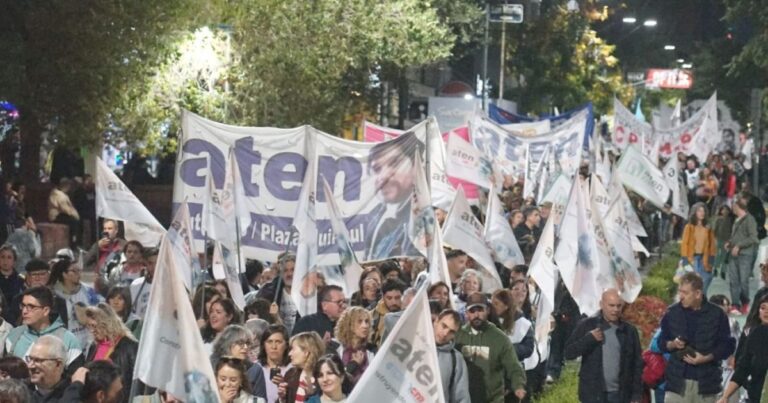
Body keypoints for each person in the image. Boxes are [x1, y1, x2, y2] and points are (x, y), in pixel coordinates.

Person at [659, 272, 736, 403]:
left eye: (685, 293)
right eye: (680, 292)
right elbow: (661, 343)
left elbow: (727, 345)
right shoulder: (672, 313)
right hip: (677, 385)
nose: (681, 297)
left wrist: (706, 358)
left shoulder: (717, 315)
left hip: (707, 386)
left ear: (698, 294)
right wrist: (673, 344)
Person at [564, 289, 643, 403]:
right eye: (611, 305)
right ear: (601, 304)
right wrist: (589, 339)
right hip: (593, 394)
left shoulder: (629, 331)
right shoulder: (587, 325)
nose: (615, 310)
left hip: (620, 394)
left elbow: (637, 364)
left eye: (618, 306)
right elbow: (569, 353)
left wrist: (636, 395)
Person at [454, 292, 526, 403]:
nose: (476, 314)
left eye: (480, 310)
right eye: (472, 311)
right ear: (467, 313)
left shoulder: (499, 338)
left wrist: (518, 385)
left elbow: (513, 366)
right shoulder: (458, 336)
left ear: (487, 310)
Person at [364, 133, 422, 260]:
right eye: (377, 168)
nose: (384, 176)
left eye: (395, 163)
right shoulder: (373, 218)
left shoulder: (424, 216)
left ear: (416, 167)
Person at [6, 286, 83, 368]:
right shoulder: (14, 335)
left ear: (46, 311)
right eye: (23, 305)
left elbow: (76, 375)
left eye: (31, 307)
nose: (24, 311)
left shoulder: (67, 339)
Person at [718, 295, 768, 403]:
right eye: (763, 308)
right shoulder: (756, 333)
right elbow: (743, 366)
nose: (766, 312)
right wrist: (725, 396)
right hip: (756, 397)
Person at [82, 303, 138, 399]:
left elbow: (137, 383)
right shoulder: (93, 346)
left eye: (94, 326)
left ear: (107, 322)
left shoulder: (129, 346)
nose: (92, 331)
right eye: (89, 326)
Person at [49, 258, 103, 347]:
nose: (79, 274)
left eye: (79, 270)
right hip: (64, 345)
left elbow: (101, 310)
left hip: (88, 343)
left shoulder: (88, 291)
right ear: (64, 274)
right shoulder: (53, 295)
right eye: (75, 271)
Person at [211, 325, 267, 400]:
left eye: (247, 343)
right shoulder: (213, 366)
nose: (245, 347)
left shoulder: (255, 370)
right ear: (228, 344)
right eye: (240, 343)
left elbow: (261, 398)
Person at [6, 258, 69, 327]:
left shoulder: (58, 300)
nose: (38, 278)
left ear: (48, 276)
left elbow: (63, 326)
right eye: (34, 274)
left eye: (42, 274)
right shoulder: (18, 300)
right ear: (28, 277)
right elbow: (13, 326)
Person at [725, 195, 758, 314]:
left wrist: (739, 246)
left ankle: (745, 302)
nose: (732, 209)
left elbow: (753, 238)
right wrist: (729, 242)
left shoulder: (750, 220)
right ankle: (735, 304)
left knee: (743, 280)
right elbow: (736, 236)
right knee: (734, 280)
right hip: (733, 255)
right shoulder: (736, 220)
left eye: (734, 206)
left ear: (738, 206)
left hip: (745, 255)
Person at [433, 309, 471, 403]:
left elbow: (461, 397)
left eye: (451, 331)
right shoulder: (415, 342)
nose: (445, 333)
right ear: (436, 321)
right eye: (444, 326)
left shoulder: (456, 359)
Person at [256, 253, 299, 335]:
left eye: (292, 270)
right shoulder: (269, 294)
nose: (289, 274)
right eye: (285, 270)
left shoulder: (307, 295)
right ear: (280, 273)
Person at [333, 307, 374, 387]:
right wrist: (354, 363)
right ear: (348, 324)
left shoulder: (371, 349)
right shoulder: (334, 347)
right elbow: (336, 378)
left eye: (366, 321)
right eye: (359, 321)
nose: (365, 326)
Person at [279, 332, 325, 403]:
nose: (289, 354)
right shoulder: (290, 374)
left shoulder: (323, 377)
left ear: (306, 352)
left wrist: (312, 394)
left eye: (293, 349)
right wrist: (282, 398)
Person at [680, 204, 716, 293]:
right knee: (695, 283)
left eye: (703, 211)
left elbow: (712, 244)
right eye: (699, 211)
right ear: (694, 212)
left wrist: (712, 258)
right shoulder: (689, 227)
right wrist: (684, 258)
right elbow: (685, 243)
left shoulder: (708, 228)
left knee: (706, 279)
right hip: (693, 258)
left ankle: (702, 300)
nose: (702, 213)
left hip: (705, 258)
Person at [26, 335, 71, 402]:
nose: (30, 366)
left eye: (38, 360)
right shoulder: (21, 393)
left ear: (58, 364)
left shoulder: (72, 394)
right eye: (30, 359)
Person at [85, 220, 126, 293]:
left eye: (110, 228)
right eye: (105, 229)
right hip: (100, 285)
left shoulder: (123, 245)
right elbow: (85, 262)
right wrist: (97, 246)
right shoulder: (99, 245)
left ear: (116, 230)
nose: (107, 231)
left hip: (117, 284)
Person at [258, 324, 291, 403]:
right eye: (269, 342)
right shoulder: (256, 368)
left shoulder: (292, 369)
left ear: (286, 345)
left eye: (278, 342)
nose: (273, 347)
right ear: (263, 345)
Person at [369, 278, 405, 349]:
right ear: (383, 297)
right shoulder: (372, 317)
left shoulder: (409, 313)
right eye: (389, 298)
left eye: (397, 298)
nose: (393, 302)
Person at [48, 177, 81, 248]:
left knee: (74, 221)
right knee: (73, 221)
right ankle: (73, 244)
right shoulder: (59, 195)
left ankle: (74, 242)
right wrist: (75, 215)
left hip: (60, 214)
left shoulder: (60, 194)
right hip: (56, 216)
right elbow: (66, 209)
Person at [129, 247, 158, 320]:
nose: (154, 267)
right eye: (150, 263)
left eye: (157, 263)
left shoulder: (172, 286)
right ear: (145, 264)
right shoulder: (136, 285)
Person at [712, 206, 734, 279]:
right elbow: (714, 229)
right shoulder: (718, 219)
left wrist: (730, 240)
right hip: (718, 239)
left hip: (727, 240)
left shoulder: (730, 220)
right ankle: (715, 269)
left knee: (725, 257)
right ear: (721, 211)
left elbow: (732, 230)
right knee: (717, 255)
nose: (725, 212)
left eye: (727, 210)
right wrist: (714, 238)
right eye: (723, 210)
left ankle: (723, 271)